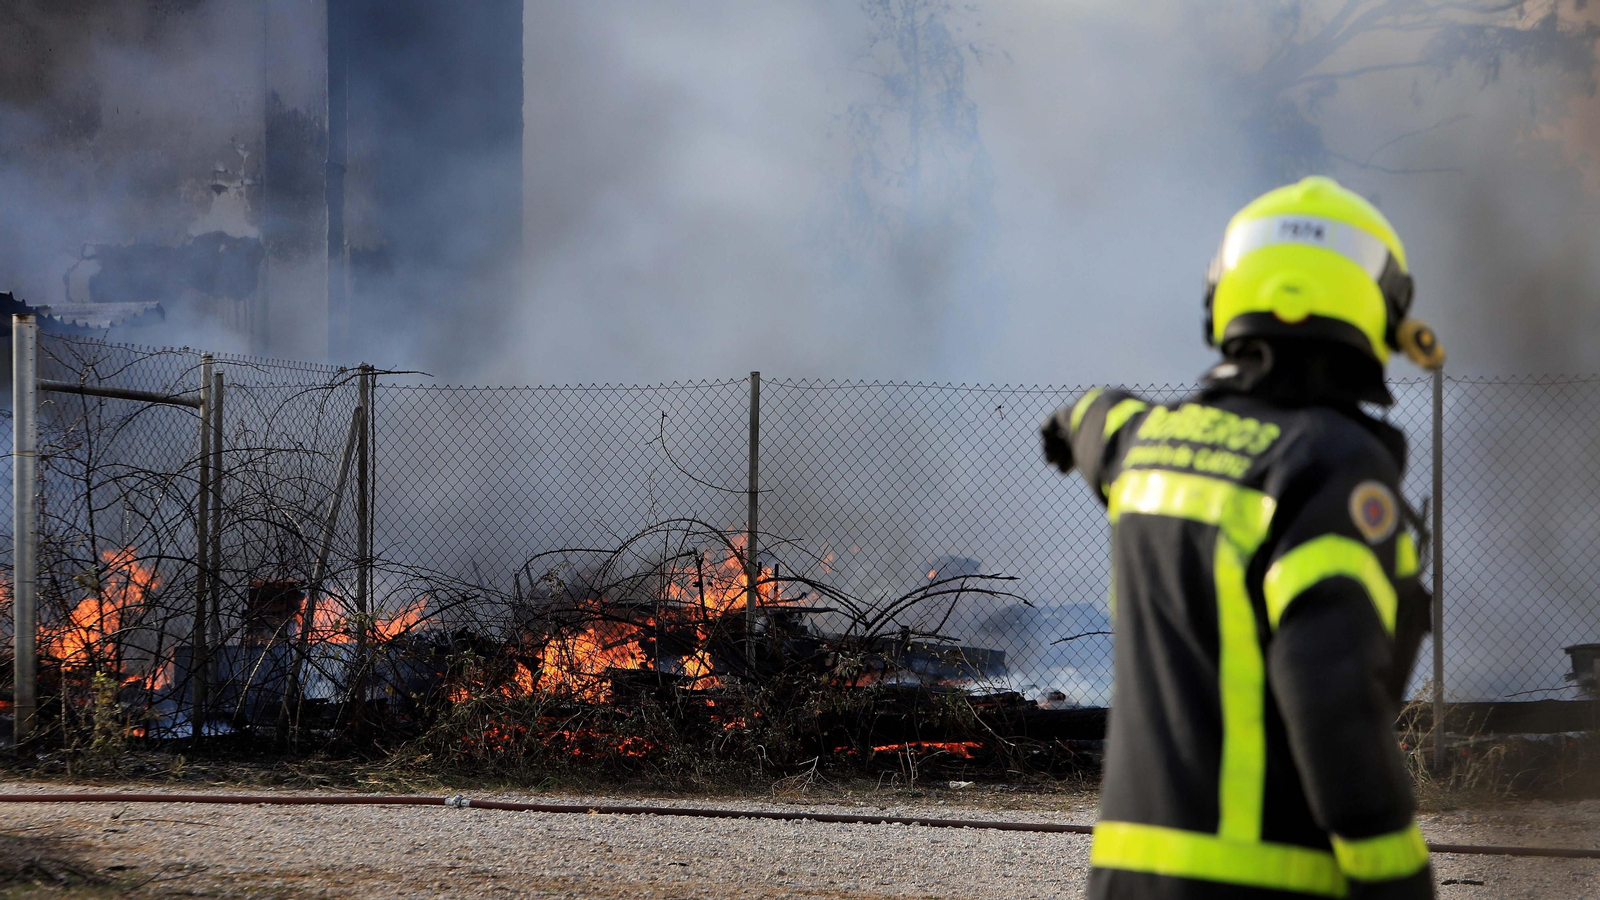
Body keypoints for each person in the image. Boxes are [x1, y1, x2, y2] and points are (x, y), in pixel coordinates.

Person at [1041, 176, 1444, 899]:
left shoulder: (1147, 445)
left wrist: (1064, 426)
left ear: (1223, 295)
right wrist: (1400, 884)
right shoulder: (1332, 467)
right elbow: (1333, 707)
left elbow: (1098, 416)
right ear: (1379, 307)